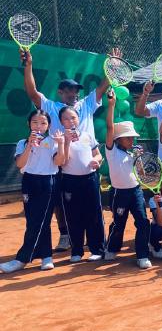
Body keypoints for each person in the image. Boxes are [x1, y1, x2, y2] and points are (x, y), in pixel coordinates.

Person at [21, 48, 112, 251]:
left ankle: (95, 241)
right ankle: (65, 234)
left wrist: (112, 64)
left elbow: (102, 87)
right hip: (60, 162)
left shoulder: (86, 104)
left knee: (91, 204)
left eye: (75, 90)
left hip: (87, 165)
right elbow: (31, 92)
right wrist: (28, 67)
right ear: (60, 92)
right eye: (69, 90)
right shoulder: (50, 106)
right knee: (60, 203)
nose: (74, 93)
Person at [0, 111, 66, 273]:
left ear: (48, 126)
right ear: (28, 124)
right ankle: (46, 256)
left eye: (43, 123)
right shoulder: (22, 143)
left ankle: (22, 259)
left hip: (48, 182)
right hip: (29, 181)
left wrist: (62, 144)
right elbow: (20, 164)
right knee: (33, 220)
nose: (39, 126)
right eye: (35, 122)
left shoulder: (53, 141)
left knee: (41, 219)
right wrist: (29, 145)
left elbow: (59, 162)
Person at [102, 90, 151, 269]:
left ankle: (143, 254)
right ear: (118, 139)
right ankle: (112, 248)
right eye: (128, 137)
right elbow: (109, 127)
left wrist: (138, 158)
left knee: (143, 222)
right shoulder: (111, 151)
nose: (132, 140)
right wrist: (112, 105)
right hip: (119, 193)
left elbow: (141, 172)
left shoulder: (133, 154)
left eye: (132, 137)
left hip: (135, 191)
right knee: (119, 223)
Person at [59, 106, 105, 262]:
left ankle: (97, 249)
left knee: (94, 215)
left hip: (90, 179)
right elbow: (62, 162)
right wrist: (65, 142)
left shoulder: (87, 136)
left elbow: (98, 155)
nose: (70, 121)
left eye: (73, 117)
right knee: (73, 216)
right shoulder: (58, 138)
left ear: (78, 119)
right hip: (69, 181)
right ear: (61, 122)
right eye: (66, 118)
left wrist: (96, 161)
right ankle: (76, 251)